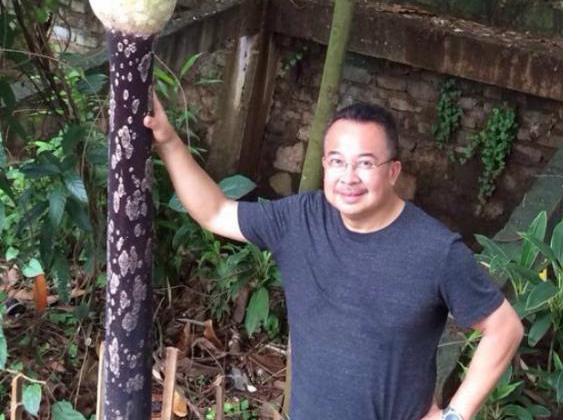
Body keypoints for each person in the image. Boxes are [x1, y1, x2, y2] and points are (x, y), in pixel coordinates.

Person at [145, 98, 523, 420]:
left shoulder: (435, 250)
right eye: (337, 161)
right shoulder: (299, 220)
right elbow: (213, 212)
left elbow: (503, 327)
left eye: (365, 163)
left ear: (393, 171)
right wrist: (167, 138)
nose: (349, 177)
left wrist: (455, 415)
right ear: (325, 166)